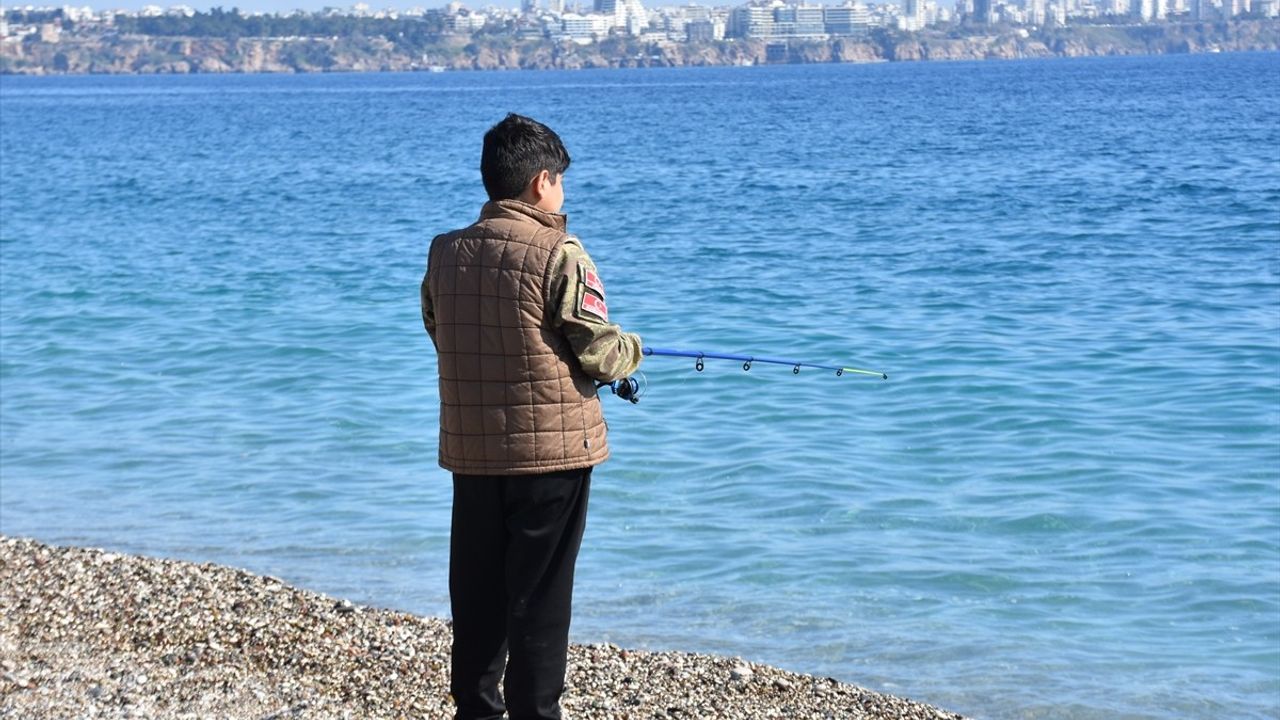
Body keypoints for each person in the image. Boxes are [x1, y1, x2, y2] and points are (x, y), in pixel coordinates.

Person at [420, 113, 643, 720]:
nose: (563, 193)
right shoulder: (559, 252)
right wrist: (635, 348)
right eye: (561, 181)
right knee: (540, 599)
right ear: (541, 180)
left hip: (473, 454)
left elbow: (441, 333)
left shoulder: (446, 252)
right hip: (553, 459)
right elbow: (598, 351)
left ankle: (476, 709)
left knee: (477, 594)